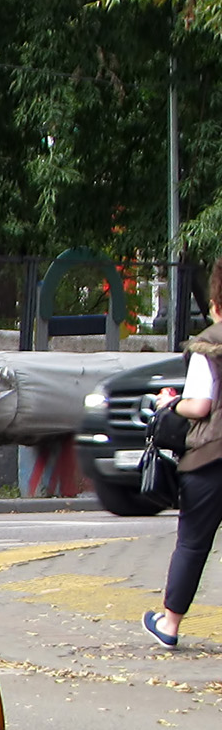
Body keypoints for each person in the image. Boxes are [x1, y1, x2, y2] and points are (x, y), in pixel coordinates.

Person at [143, 273, 222, 647]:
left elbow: (201, 405)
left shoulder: (209, 347)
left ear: (215, 305)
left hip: (210, 458)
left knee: (193, 542)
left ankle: (170, 624)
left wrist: (171, 403)